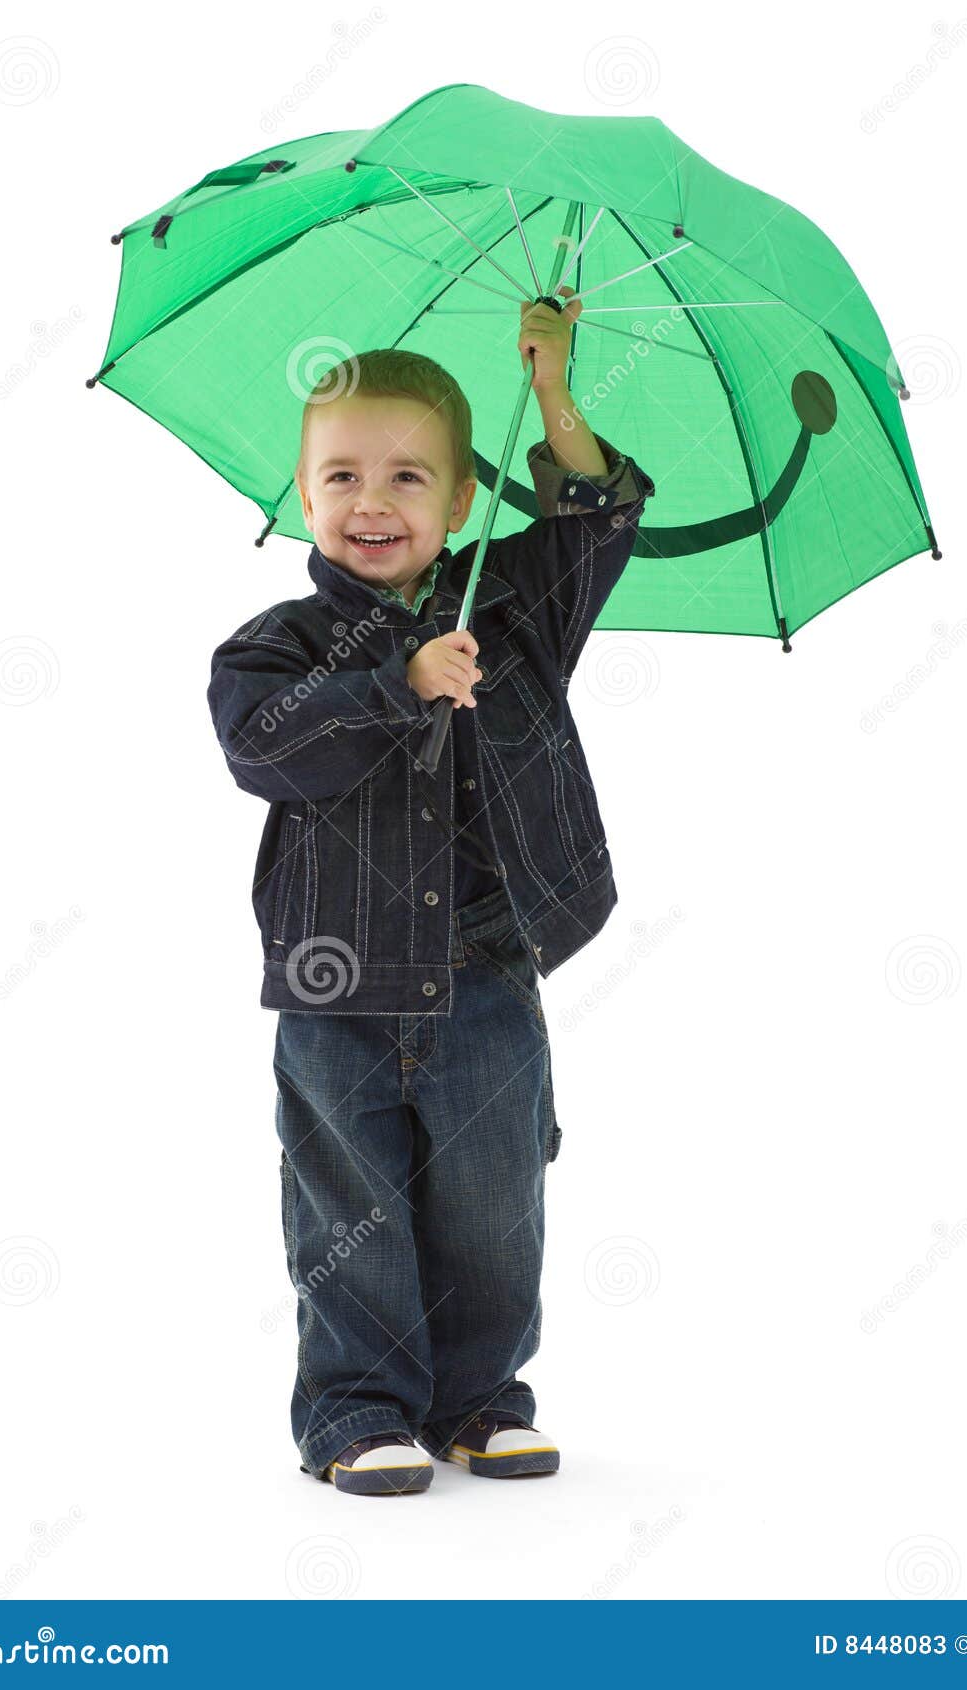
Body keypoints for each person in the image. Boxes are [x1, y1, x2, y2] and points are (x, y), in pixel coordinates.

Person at [207, 287, 656, 1495]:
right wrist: (397, 682)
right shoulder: (276, 645)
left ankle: (478, 1397)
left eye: (409, 478)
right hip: (334, 973)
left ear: (461, 501)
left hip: (483, 964)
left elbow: (603, 512)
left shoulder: (508, 611)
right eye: (343, 474)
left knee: (491, 1194)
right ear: (304, 493)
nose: (372, 500)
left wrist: (555, 389)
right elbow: (265, 744)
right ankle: (358, 1408)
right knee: (347, 1198)